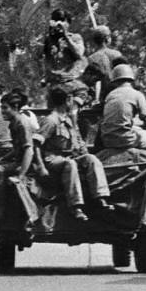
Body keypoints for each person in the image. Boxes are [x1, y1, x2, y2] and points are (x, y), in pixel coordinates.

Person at [37, 87, 113, 220]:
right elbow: (36, 145)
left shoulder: (68, 119)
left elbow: (77, 142)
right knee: (70, 164)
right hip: (52, 159)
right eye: (71, 99)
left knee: (91, 159)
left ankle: (100, 197)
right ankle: (75, 206)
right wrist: (41, 167)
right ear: (67, 100)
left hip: (69, 156)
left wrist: (83, 151)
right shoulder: (51, 120)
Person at [0, 89, 37, 229]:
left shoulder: (23, 123)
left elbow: (29, 150)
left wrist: (22, 174)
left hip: (25, 164)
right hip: (16, 160)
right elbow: (17, 149)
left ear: (15, 108)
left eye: (5, 108)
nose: (2, 111)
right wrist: (2, 158)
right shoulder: (13, 123)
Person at [99, 64, 146, 158]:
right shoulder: (137, 95)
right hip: (125, 139)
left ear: (115, 81)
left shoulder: (110, 95)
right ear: (131, 79)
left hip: (107, 140)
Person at [41, 9, 87, 90]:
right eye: (55, 20)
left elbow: (79, 54)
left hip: (71, 81)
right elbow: (43, 59)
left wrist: (66, 36)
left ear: (68, 23)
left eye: (61, 20)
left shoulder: (75, 38)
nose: (58, 23)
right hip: (55, 84)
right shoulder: (48, 40)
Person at [85, 24, 123, 101]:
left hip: (101, 98)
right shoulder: (116, 54)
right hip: (118, 94)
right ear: (107, 38)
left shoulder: (91, 58)